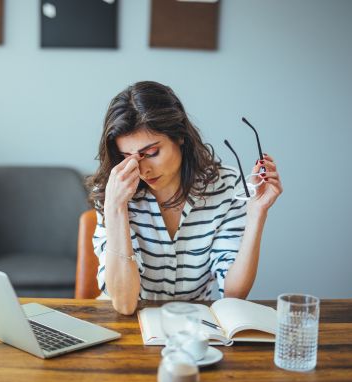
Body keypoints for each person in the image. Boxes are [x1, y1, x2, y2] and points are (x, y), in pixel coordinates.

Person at [87, 81, 282, 315]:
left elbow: (234, 294)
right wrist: (115, 209)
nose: (142, 169)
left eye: (151, 153)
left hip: (194, 329)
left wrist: (256, 214)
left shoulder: (225, 186)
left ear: (179, 136)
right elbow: (124, 304)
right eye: (127, 157)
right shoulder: (113, 193)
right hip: (126, 330)